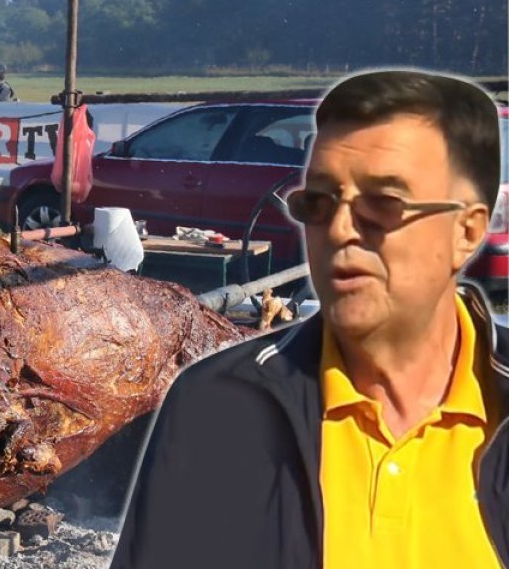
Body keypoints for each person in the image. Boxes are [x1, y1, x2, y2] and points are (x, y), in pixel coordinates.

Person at [110, 70, 508, 568]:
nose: (338, 230)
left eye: (382, 205)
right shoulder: (220, 409)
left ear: (466, 232)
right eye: (318, 201)